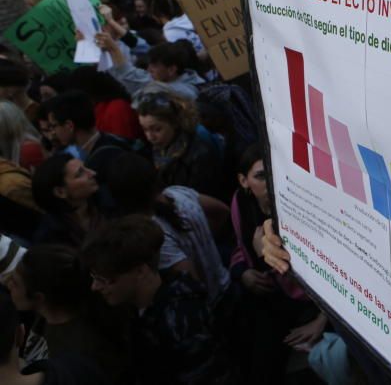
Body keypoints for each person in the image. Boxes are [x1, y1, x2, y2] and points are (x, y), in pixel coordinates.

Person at [81, 215, 235, 385]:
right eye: (93, 277)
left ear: (140, 271)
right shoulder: (132, 308)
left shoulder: (182, 321)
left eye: (104, 279)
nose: (94, 286)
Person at [228, 144, 327, 385]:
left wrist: (321, 321)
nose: (270, 182)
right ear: (243, 181)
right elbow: (239, 247)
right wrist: (243, 272)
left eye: (274, 173)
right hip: (269, 297)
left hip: (311, 303)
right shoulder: (242, 204)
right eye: (261, 176)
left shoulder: (301, 207)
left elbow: (333, 271)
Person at [107, 153, 231, 305]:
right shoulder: (177, 193)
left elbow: (191, 285)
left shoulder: (154, 235)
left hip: (214, 306)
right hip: (225, 285)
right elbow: (222, 211)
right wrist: (206, 242)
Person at [4, 244, 124, 381]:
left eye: (15, 283)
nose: (8, 283)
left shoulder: (80, 351)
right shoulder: (44, 313)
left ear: (39, 297)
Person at [136, 92, 229, 202]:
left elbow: (202, 198)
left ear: (175, 123)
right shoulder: (162, 143)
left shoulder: (200, 150)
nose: (149, 137)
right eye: (144, 129)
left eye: (157, 129)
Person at [31, 153, 104, 246]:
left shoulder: (106, 204)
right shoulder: (51, 239)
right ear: (60, 192)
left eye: (86, 167)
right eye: (80, 174)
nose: (93, 173)